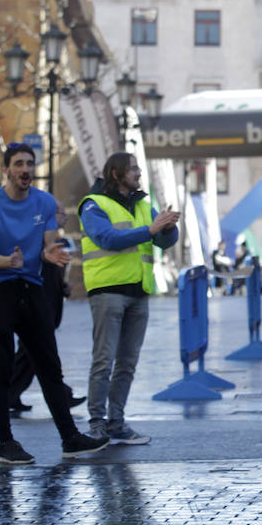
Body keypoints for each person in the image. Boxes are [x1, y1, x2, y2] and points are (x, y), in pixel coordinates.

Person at [0, 143, 109, 464]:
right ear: (7, 169)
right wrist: (8, 261)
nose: (25, 170)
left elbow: (49, 243)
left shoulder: (44, 202)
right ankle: (6, 443)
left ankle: (70, 438)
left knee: (49, 365)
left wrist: (49, 253)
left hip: (32, 290)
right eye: (18, 164)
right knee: (2, 369)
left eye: (30, 164)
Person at [79, 152, 180, 445]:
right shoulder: (94, 204)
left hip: (138, 291)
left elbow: (161, 241)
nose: (139, 173)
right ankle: (96, 424)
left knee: (127, 363)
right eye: (133, 169)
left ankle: (116, 423)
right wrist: (151, 229)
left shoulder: (143, 204)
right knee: (104, 361)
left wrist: (168, 228)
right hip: (108, 291)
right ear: (115, 174)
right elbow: (107, 239)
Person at [9, 200, 85, 414]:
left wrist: (63, 287)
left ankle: (10, 395)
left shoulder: (51, 240)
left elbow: (52, 273)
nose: (65, 216)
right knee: (41, 355)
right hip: (35, 309)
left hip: (46, 308)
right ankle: (62, 396)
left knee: (30, 356)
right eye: (61, 212)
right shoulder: (37, 240)